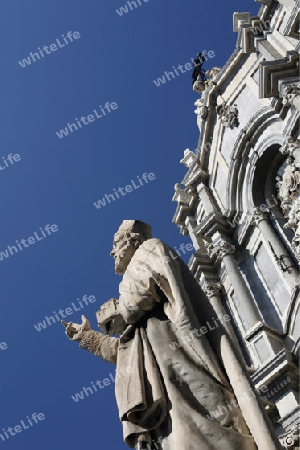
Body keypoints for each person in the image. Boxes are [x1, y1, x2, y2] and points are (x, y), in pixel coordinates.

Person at [62, 220, 281, 450]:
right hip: (165, 384)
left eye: (116, 243)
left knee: (208, 426)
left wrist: (118, 310)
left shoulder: (149, 250)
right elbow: (128, 353)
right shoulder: (143, 319)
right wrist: (88, 338)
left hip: (184, 364)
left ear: (134, 239)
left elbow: (137, 302)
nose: (112, 251)